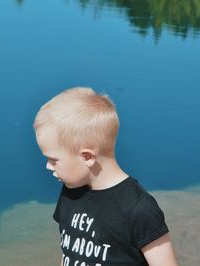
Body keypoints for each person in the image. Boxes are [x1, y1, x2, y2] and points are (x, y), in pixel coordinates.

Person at [33, 87, 178, 266]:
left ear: (87, 157)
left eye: (53, 160)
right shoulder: (71, 192)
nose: (48, 166)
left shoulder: (139, 210)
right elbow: (69, 252)